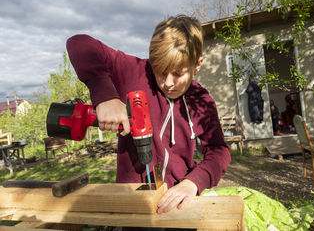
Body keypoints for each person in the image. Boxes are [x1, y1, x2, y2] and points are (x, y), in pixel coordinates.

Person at [66, 15, 231, 216]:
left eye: (178, 74)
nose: (168, 82)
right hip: (133, 203)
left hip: (180, 203)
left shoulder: (200, 100)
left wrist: (193, 182)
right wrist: (105, 95)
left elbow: (219, 151)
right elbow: (79, 43)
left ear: (197, 65)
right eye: (160, 71)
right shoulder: (133, 72)